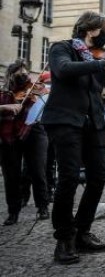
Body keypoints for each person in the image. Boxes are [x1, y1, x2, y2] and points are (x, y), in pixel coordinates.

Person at [42, 11, 105, 265]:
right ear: (91, 30)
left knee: (98, 177)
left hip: (93, 123)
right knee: (69, 177)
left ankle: (82, 230)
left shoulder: (100, 58)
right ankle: (64, 237)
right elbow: (63, 71)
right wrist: (101, 64)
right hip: (65, 120)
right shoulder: (62, 48)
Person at [0, 60, 50, 225]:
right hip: (9, 135)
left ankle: (42, 207)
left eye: (25, 73)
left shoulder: (34, 87)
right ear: (10, 76)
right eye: (18, 74)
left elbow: (47, 97)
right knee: (11, 175)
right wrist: (7, 107)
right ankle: (13, 212)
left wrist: (42, 95)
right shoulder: (3, 93)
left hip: (33, 131)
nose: (23, 77)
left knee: (37, 170)